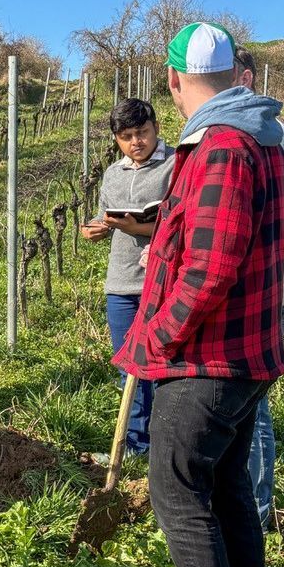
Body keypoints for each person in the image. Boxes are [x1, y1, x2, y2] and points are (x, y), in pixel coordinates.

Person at [112, 23, 284, 567]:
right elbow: (282, 240)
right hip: (249, 352)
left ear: (171, 80)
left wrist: (158, 337)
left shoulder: (220, 147)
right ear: (234, 72)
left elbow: (210, 269)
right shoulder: (265, 140)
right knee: (227, 490)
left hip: (206, 361)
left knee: (179, 494)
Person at [235, 45, 284, 529]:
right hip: (274, 284)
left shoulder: (264, 134)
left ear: (244, 78)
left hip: (263, 288)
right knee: (250, 400)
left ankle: (257, 511)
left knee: (252, 404)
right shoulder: (275, 130)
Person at [80, 98, 174, 459]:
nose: (136, 142)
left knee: (164, 365)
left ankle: (166, 443)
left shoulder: (176, 165)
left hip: (163, 282)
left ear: (156, 128)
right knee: (128, 364)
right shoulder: (113, 173)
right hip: (121, 282)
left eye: (142, 132)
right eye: (126, 136)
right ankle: (136, 443)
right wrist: (97, 227)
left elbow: (185, 222)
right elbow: (105, 214)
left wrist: (141, 228)